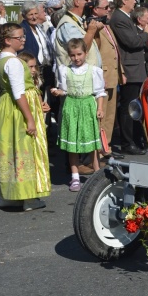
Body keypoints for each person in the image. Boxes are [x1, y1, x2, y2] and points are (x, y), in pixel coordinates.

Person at [0, 23, 51, 211]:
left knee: (10, 150)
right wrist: (30, 118)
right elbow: (19, 92)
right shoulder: (14, 62)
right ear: (8, 40)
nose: (23, 40)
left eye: (23, 36)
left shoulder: (2, 59)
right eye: (20, 37)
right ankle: (28, 198)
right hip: (18, 109)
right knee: (25, 149)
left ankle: (9, 195)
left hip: (7, 106)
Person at [52, 39, 106, 192]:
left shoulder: (93, 70)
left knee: (92, 143)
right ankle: (75, 176)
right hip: (71, 106)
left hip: (88, 105)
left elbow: (99, 92)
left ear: (86, 53)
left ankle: (97, 174)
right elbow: (65, 89)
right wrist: (59, 91)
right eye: (73, 55)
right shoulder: (64, 70)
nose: (76, 58)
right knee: (73, 144)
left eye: (79, 54)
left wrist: (100, 108)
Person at [108, 0, 148, 155]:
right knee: (128, 107)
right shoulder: (119, 19)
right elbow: (132, 42)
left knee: (134, 106)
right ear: (124, 0)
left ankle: (136, 139)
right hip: (130, 69)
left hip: (136, 68)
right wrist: (147, 34)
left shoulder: (124, 17)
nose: (135, 1)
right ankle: (128, 143)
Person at [91, 0, 125, 159]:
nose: (108, 10)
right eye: (105, 8)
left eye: (109, 8)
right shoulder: (93, 25)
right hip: (102, 75)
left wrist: (121, 72)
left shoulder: (107, 25)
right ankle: (99, 148)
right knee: (102, 114)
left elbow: (114, 51)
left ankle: (107, 145)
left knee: (111, 114)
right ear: (96, 9)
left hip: (112, 74)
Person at [54, 0, 103, 69]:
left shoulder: (79, 21)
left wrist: (96, 32)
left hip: (89, 76)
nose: (89, 2)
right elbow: (79, 49)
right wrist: (91, 31)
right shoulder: (67, 25)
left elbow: (95, 48)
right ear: (77, 2)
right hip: (77, 78)